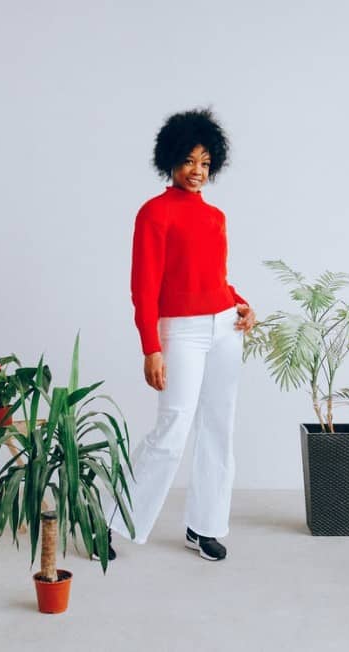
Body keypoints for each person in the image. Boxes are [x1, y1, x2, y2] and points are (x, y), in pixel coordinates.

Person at [104, 108, 255, 562]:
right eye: (189, 161)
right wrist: (151, 348)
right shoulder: (153, 214)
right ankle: (110, 520)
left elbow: (214, 279)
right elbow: (144, 288)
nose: (197, 172)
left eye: (206, 163)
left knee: (218, 430)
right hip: (181, 333)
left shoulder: (216, 217)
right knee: (172, 431)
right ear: (170, 160)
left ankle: (204, 526)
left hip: (226, 328)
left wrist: (241, 302)